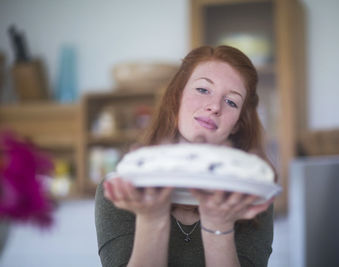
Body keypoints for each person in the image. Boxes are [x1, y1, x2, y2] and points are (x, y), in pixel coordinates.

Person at [95, 45, 276, 267]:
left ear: (237, 123)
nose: (214, 106)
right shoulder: (124, 188)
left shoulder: (251, 195)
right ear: (176, 97)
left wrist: (218, 224)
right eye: (203, 89)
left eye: (231, 101)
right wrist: (151, 221)